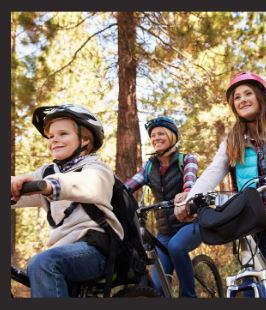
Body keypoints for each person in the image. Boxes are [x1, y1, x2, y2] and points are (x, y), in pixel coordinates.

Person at [174, 71, 266, 298]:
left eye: (248, 93)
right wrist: (191, 198)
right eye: (237, 97)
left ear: (261, 97)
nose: (242, 100)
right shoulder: (232, 140)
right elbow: (213, 171)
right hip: (252, 217)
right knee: (250, 274)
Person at [11, 104, 122, 297]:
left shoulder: (96, 168)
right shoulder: (48, 172)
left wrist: (49, 186)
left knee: (44, 263)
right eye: (51, 136)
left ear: (85, 140)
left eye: (63, 134)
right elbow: (17, 189)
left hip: (96, 247)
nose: (54, 140)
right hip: (63, 249)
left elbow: (87, 184)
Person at [124, 116, 200, 298]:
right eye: (153, 135)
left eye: (161, 133)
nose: (156, 138)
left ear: (172, 137)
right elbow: (129, 186)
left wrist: (186, 192)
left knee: (177, 247)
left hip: (191, 224)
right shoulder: (150, 166)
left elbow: (190, 180)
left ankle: (189, 297)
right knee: (158, 288)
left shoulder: (187, 159)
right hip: (164, 232)